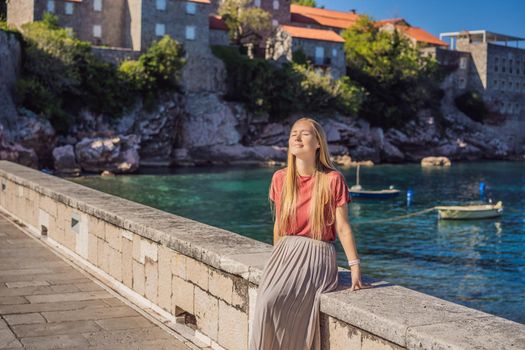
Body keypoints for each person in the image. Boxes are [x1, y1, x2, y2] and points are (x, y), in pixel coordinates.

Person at [249, 117, 372, 350]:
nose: (296, 137)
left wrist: (355, 266)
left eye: (304, 133)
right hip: (285, 252)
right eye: (293, 133)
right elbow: (278, 225)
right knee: (265, 303)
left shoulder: (333, 179)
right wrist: (277, 259)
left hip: (317, 254)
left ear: (318, 143)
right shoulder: (280, 178)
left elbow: (343, 227)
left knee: (276, 301)